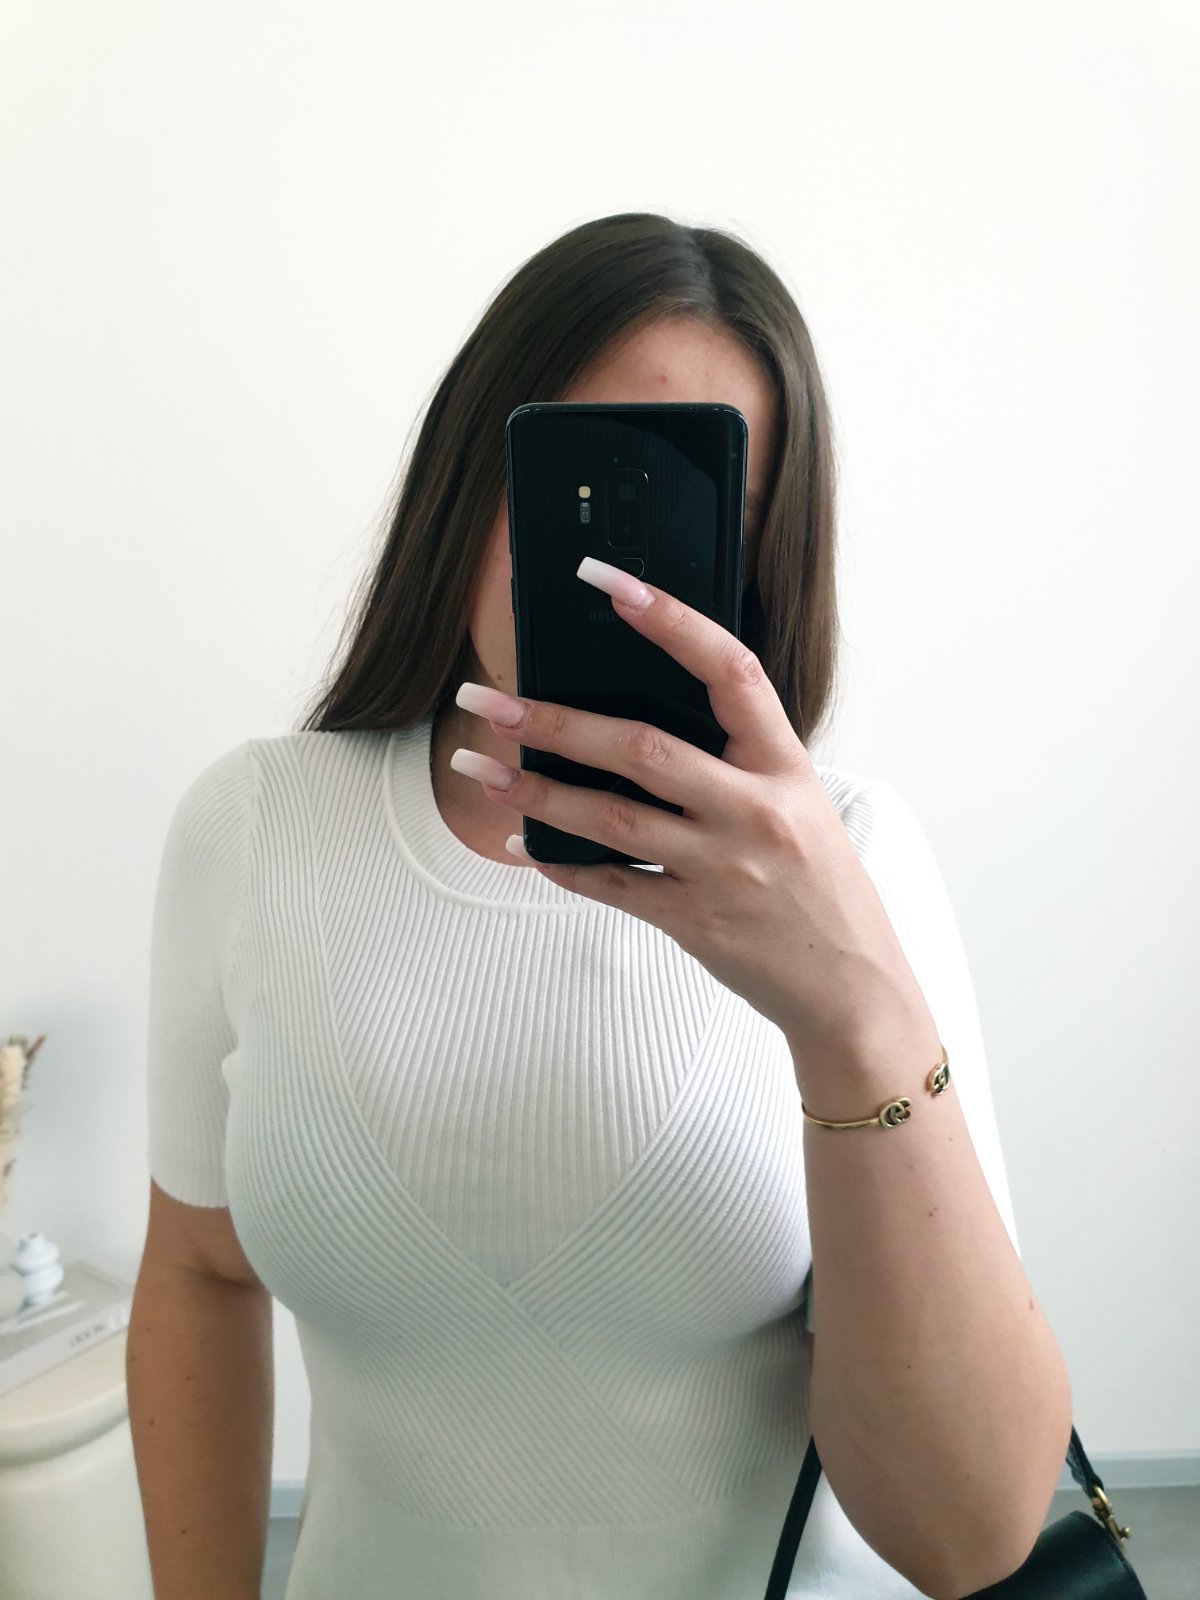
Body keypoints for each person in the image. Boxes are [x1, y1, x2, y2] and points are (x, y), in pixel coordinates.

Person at [128, 212, 1057, 1599]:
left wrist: (850, 1012)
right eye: (570, 483)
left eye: (682, 515)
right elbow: (202, 1269)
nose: (607, 571)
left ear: (758, 561)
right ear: (465, 483)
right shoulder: (254, 828)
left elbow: (971, 1534)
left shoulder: (856, 859)